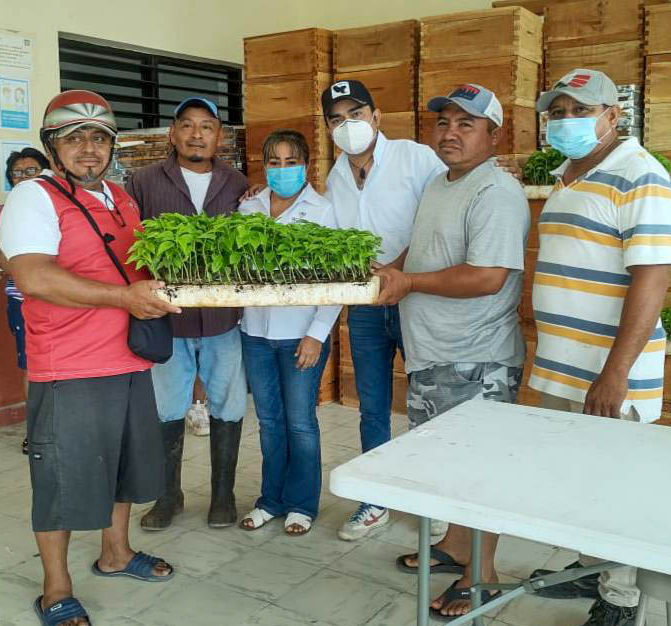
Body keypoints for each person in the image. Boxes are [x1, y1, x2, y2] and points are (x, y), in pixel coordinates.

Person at [0, 89, 177, 626]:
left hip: (128, 358)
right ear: (53, 146)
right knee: (59, 480)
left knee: (124, 464)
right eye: (74, 137)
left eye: (99, 137)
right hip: (69, 365)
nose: (89, 148)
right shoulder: (33, 197)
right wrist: (125, 299)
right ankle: (56, 586)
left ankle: (116, 553)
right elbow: (34, 277)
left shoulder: (121, 199)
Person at [526, 69, 671, 626]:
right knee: (580, 482)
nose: (566, 120)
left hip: (611, 374)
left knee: (620, 490)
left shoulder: (643, 176)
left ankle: (621, 601)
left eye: (579, 110)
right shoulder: (570, 174)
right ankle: (593, 569)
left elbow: (652, 280)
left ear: (614, 115)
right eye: (557, 111)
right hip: (565, 367)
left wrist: (614, 376)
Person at [376, 84, 529, 620]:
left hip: (476, 358)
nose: (451, 132)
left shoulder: (496, 192)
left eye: (467, 124)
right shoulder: (442, 184)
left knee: (477, 469)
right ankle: (459, 548)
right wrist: (389, 268)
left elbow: (488, 276)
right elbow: (422, 247)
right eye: (444, 122)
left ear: (494, 133)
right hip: (436, 353)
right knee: (448, 467)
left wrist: (409, 282)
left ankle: (482, 576)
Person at [321, 79, 447, 541]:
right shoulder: (336, 176)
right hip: (369, 306)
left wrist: (398, 269)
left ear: (376, 117)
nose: (348, 125)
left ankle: (432, 501)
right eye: (337, 119)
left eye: (356, 114)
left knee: (427, 403)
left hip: (419, 298)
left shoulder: (417, 158)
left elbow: (441, 217)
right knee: (371, 404)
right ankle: (375, 500)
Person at [125, 96, 249, 530]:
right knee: (166, 407)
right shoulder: (142, 181)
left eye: (207, 126)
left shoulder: (238, 184)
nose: (197, 134)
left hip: (222, 320)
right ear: (173, 134)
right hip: (168, 319)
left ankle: (222, 496)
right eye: (187, 125)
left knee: (229, 404)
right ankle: (168, 496)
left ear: (219, 136)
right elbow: (128, 247)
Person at [237, 129, 341, 535]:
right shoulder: (250, 208)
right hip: (256, 333)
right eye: (274, 162)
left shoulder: (322, 210)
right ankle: (271, 499)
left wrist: (317, 333)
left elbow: (337, 278)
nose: (282, 169)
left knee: (300, 421)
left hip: (302, 334)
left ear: (307, 165)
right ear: (265, 167)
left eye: (291, 161)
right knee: (269, 420)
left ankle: (301, 503)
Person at [0, 147, 50, 454]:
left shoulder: (59, 207)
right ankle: (36, 431)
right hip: (22, 300)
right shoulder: (4, 212)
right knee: (32, 367)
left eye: (32, 171)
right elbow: (5, 262)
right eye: (18, 172)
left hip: (60, 297)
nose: (25, 177)